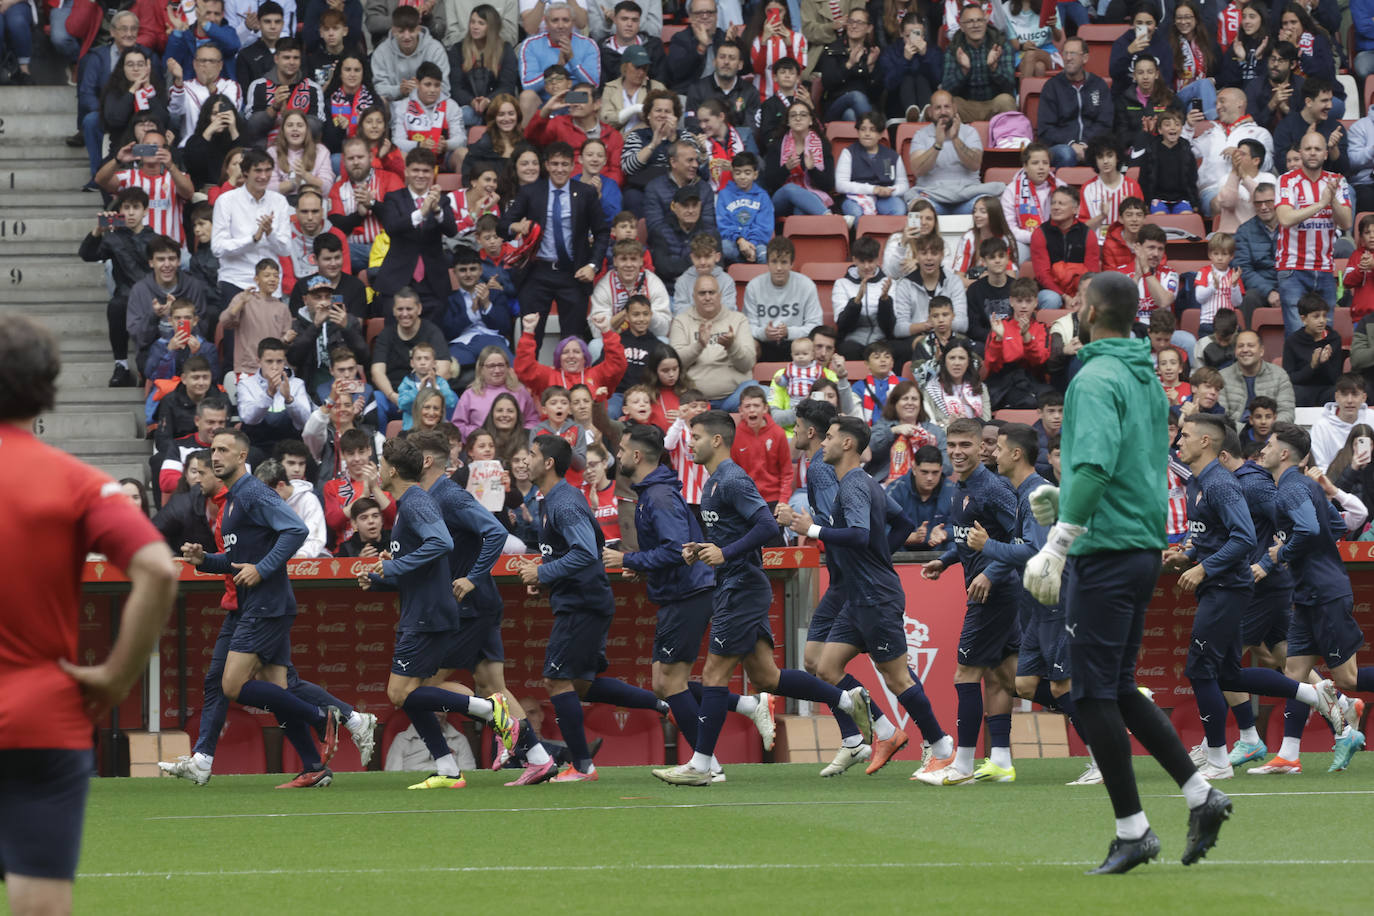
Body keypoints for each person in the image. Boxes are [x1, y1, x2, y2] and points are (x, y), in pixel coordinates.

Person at [1020, 271, 1231, 873]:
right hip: (1139, 547)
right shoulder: (1144, 375)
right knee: (1113, 688)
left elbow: (1092, 467)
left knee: (1090, 694)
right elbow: (1119, 465)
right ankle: (1200, 794)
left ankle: (1134, 830)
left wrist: (1060, 537)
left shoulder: (1095, 376)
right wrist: (1063, 501)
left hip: (1105, 552)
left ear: (1087, 308)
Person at [0, 315, 175, 916]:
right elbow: (159, 567)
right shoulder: (77, 483)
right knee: (41, 906)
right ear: (49, 388)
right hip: (41, 718)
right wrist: (116, 676)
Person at [652, 411, 874, 785]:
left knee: (712, 674)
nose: (690, 443)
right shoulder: (712, 483)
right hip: (735, 585)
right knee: (767, 678)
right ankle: (846, 700)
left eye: (697, 437)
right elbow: (734, 534)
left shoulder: (733, 480)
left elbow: (767, 525)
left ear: (718, 441)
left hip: (741, 587)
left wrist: (725, 554)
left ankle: (703, 765)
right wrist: (706, 548)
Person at [1164, 413, 1346, 778]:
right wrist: (1188, 555)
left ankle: (1217, 760)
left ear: (1206, 442)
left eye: (1183, 436)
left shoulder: (1221, 484)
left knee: (1201, 671)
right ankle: (1315, 695)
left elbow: (1245, 537)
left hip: (1228, 589)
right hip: (1219, 587)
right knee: (1229, 675)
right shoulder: (1199, 482)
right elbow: (1211, 535)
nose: (1177, 442)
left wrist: (1205, 568)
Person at [781, 415, 953, 777]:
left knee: (897, 679)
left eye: (828, 437)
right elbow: (905, 524)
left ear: (847, 444)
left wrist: (811, 528)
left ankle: (941, 746)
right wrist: (879, 558)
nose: (822, 443)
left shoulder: (854, 486)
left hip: (876, 597)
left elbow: (858, 534)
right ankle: (886, 732)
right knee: (826, 668)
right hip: (859, 597)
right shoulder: (865, 484)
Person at [181, 429, 346, 789]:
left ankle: (322, 719)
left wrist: (263, 568)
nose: (216, 456)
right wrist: (205, 560)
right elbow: (239, 560)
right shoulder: (233, 502)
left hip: (265, 605)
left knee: (232, 685)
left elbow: (296, 530)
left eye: (224, 450)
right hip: (250, 604)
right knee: (277, 687)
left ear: (242, 456)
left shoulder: (253, 491)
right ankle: (314, 765)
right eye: (213, 450)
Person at [514, 435, 668, 781]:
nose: (526, 461)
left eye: (533, 455)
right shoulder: (552, 499)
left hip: (583, 603)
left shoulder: (563, 502)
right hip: (582, 599)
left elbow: (586, 552)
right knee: (581, 685)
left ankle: (582, 767)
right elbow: (580, 546)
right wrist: (546, 576)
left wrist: (542, 571)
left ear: (549, 463)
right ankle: (662, 705)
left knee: (556, 680)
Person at [968, 422, 1097, 785]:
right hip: (1038, 607)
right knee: (1023, 684)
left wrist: (987, 547)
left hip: (1056, 604)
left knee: (1059, 688)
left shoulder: (1038, 495)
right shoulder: (1027, 492)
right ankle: (1105, 706)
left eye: (1000, 446)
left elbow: (1040, 551)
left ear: (1016, 454)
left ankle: (1103, 757)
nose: (992, 452)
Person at [1254, 423, 1374, 774]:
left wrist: (1280, 554)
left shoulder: (1292, 487)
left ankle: (1342, 720)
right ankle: (1289, 755)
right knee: (1294, 675)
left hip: (1324, 593)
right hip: (1308, 594)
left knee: (1348, 679)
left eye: (1270, 444)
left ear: (1285, 453)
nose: (1264, 449)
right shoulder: (1303, 485)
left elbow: (1308, 529)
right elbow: (1334, 527)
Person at [916, 417, 1021, 785]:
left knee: (966, 673)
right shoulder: (958, 488)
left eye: (965, 446)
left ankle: (961, 766)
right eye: (953, 446)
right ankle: (1002, 761)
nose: (958, 453)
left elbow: (1024, 541)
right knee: (1007, 678)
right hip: (988, 589)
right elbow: (967, 540)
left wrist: (991, 574)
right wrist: (945, 561)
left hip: (996, 592)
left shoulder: (994, 489)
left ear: (982, 447)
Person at [499, 141, 610, 348]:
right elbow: (502, 226)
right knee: (530, 341)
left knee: (573, 342)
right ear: (547, 165)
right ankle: (530, 381)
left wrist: (593, 266)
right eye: (555, 164)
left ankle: (571, 381)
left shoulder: (586, 193)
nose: (560, 169)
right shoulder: (531, 192)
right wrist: (515, 226)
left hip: (574, 274)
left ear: (572, 166)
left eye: (564, 164)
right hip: (537, 274)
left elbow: (602, 233)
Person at [1274, 130, 1353, 333]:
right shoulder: (1286, 180)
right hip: (1293, 268)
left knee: (1324, 335)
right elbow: (1285, 218)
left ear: (1326, 154)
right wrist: (1320, 204)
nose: (1312, 153)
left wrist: (1332, 198)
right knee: (1297, 334)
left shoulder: (1337, 181)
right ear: (1300, 152)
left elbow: (1346, 223)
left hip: (1325, 269)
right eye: (1308, 148)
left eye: (1317, 149)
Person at [210, 148, 293, 307]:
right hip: (236, 280)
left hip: (270, 283)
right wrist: (253, 238)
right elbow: (218, 248)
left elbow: (285, 249)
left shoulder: (279, 201)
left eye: (268, 170)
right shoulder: (226, 200)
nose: (263, 176)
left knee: (271, 332)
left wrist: (270, 234)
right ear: (245, 172)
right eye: (258, 171)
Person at [908, 89, 1003, 216]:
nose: (943, 112)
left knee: (988, 207)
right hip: (933, 199)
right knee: (917, 208)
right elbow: (917, 170)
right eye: (938, 108)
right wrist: (937, 144)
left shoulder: (970, 132)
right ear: (930, 112)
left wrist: (955, 139)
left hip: (968, 198)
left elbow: (975, 165)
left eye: (947, 107)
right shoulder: (921, 135)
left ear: (955, 108)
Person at [669, 273, 756, 410]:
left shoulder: (738, 319)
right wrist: (699, 346)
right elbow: (675, 363)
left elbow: (747, 364)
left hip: (734, 397)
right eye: (702, 293)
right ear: (694, 297)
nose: (708, 297)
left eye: (712, 292)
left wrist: (732, 346)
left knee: (762, 393)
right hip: (694, 400)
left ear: (720, 295)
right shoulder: (681, 321)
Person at [1188, 87, 1274, 218]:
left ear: (1239, 103)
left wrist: (1242, 155)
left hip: (1246, 187)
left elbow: (1267, 163)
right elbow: (1185, 152)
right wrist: (1188, 128)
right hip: (1213, 189)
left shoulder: (1259, 132)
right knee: (1221, 203)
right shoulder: (1209, 132)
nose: (1218, 107)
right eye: (1216, 103)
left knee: (1250, 203)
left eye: (1222, 101)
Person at [1037, 36, 1114, 168]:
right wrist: (1071, 144)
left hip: (1092, 144)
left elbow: (1105, 123)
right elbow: (1046, 129)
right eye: (1065, 53)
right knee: (1067, 154)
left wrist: (1085, 144)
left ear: (1085, 58)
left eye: (1073, 53)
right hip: (1061, 147)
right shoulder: (1052, 86)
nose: (1068, 58)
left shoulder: (1098, 85)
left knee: (1108, 153)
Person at [515, 0, 599, 121]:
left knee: (590, 97)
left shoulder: (587, 44)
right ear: (546, 23)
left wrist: (572, 59)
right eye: (555, 20)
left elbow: (594, 84)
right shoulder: (531, 44)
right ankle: (525, 139)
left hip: (573, 97)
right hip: (544, 98)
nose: (560, 26)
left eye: (566, 20)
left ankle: (585, 138)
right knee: (527, 97)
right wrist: (557, 67)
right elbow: (528, 85)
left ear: (572, 22)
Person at [742, 237, 821, 362]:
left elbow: (815, 325)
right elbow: (748, 326)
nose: (779, 268)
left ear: (792, 263)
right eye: (774, 261)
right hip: (764, 343)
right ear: (767, 263)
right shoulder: (753, 286)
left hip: (796, 343)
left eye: (784, 262)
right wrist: (764, 333)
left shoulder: (807, 285)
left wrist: (788, 332)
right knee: (749, 345)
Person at [941, 3, 1017, 121]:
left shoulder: (1000, 44)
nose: (976, 25)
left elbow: (1011, 85)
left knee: (1006, 100)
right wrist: (963, 71)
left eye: (979, 20)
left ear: (986, 22)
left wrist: (994, 68)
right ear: (961, 26)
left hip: (994, 104)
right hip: (966, 105)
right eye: (970, 21)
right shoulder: (955, 48)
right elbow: (946, 89)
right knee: (950, 104)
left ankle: (1009, 139)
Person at [1030, 186, 1099, 310]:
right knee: (1052, 299)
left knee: (1091, 295)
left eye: (1061, 203)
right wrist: (1064, 296)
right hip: (1049, 291)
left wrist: (1079, 295)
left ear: (1075, 209)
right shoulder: (1040, 233)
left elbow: (1091, 273)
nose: (1055, 207)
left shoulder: (1088, 234)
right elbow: (1042, 274)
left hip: (1079, 290)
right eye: (1053, 203)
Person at [372, 5, 450, 103]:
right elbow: (378, 89)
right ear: (393, 30)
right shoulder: (381, 52)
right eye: (401, 31)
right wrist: (399, 90)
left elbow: (445, 88)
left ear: (419, 28)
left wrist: (422, 90)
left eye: (411, 30)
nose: (407, 36)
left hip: (430, 107)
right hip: (395, 108)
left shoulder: (435, 49)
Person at [1000, 142, 1063, 262]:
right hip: (1025, 242)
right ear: (1025, 166)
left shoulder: (1060, 186)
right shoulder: (1012, 190)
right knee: (1015, 252)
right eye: (1035, 163)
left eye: (1045, 163)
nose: (1041, 167)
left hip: (1056, 240)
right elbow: (1009, 229)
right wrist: (1036, 237)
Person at [816, 6, 880, 122]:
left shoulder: (873, 52)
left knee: (850, 115)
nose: (854, 26)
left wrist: (870, 68)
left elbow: (876, 95)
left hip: (862, 108)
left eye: (859, 23)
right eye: (851, 22)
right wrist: (849, 64)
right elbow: (828, 83)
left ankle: (865, 133)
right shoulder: (833, 49)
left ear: (869, 28)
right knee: (855, 95)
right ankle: (872, 130)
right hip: (835, 106)